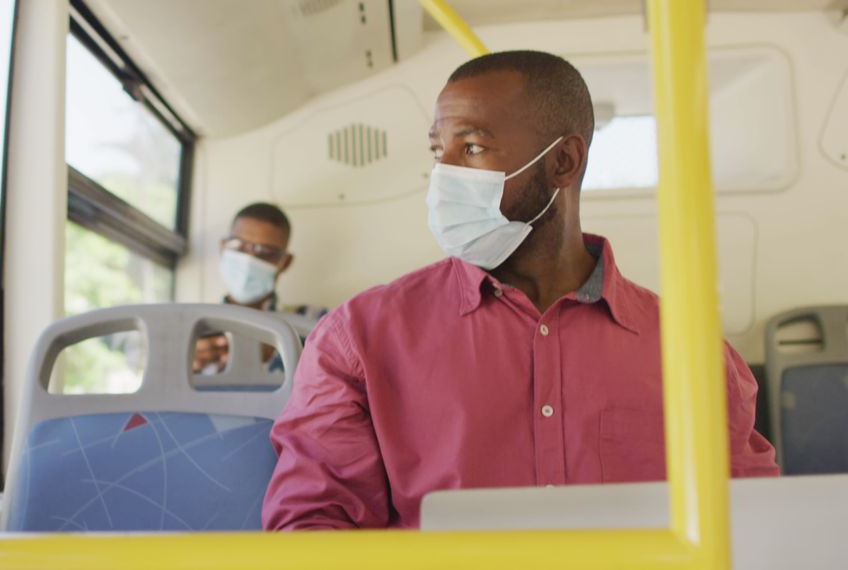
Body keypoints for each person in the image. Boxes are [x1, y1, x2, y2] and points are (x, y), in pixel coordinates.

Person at [262, 50, 778, 530]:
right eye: (439, 151)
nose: (445, 174)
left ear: (563, 163)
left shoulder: (689, 350)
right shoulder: (358, 340)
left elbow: (752, 524)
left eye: (474, 146)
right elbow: (311, 530)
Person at [193, 202, 326, 373]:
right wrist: (186, 367)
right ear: (223, 247)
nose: (249, 261)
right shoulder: (193, 329)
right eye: (239, 246)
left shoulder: (316, 323)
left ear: (284, 263)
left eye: (266, 253)